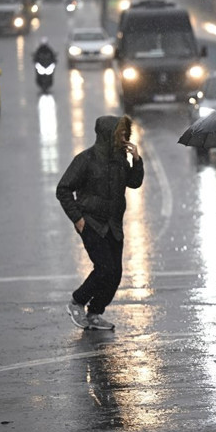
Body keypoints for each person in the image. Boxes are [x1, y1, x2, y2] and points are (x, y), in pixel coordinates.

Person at [57, 115, 144, 330]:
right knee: (104, 268)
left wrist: (137, 160)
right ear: (108, 135)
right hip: (92, 223)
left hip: (113, 224)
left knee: (115, 274)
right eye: (120, 133)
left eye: (125, 132)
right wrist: (78, 219)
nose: (124, 136)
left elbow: (134, 182)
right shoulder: (86, 159)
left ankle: (95, 312)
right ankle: (77, 301)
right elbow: (63, 189)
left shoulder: (120, 161)